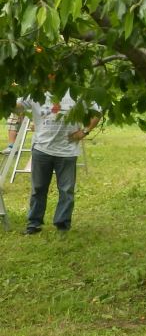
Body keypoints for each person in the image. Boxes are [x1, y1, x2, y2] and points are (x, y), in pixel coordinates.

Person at [17, 91, 101, 235]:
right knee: (38, 188)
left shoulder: (76, 93)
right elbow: (17, 106)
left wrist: (84, 131)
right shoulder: (36, 92)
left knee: (66, 190)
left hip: (67, 151)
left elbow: (98, 111)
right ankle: (34, 223)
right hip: (41, 149)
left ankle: (62, 224)